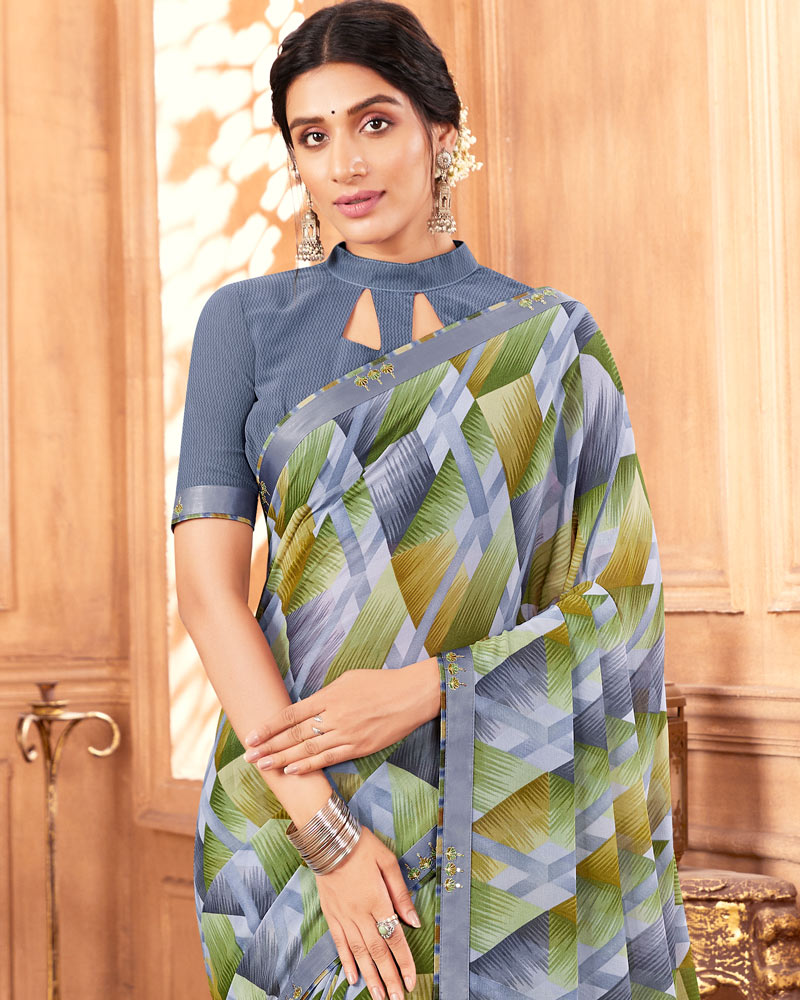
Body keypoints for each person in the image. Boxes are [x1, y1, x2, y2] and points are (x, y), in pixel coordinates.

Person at [171, 2, 701, 999]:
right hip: (293, 802)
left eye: (374, 123)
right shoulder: (243, 323)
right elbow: (206, 595)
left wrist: (432, 688)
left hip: (505, 808)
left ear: (441, 133)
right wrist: (326, 835)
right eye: (312, 137)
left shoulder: (551, 340)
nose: (345, 164)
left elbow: (617, 601)